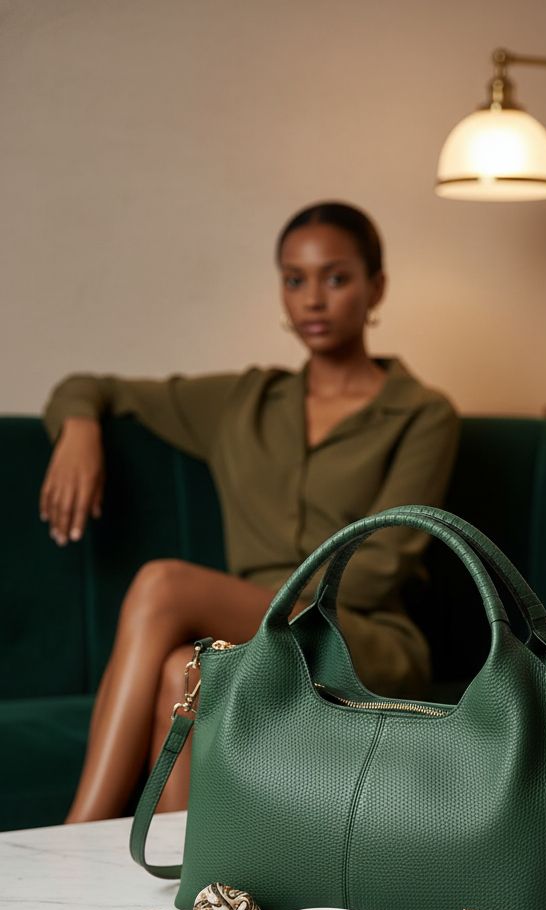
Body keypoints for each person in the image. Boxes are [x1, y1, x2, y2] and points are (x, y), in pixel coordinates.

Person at [39, 201, 459, 824]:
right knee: (181, 671)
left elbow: (378, 571)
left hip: (363, 643)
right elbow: (89, 386)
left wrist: (235, 602)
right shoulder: (244, 402)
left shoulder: (423, 414)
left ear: (377, 287)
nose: (313, 299)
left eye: (336, 278)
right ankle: (180, 894)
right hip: (252, 638)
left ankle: (73, 841)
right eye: (295, 279)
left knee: (162, 584)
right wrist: (78, 431)